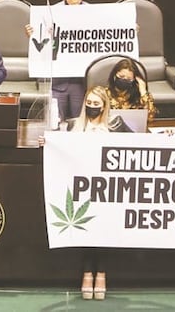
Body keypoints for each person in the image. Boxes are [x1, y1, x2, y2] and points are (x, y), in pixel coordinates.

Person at [63, 85, 131, 300]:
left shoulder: (116, 125)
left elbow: (139, 143)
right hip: (81, 190)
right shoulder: (74, 125)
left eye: (96, 104)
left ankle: (101, 274)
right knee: (85, 232)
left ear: (104, 106)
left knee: (103, 232)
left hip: (107, 190)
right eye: (89, 104)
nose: (92, 107)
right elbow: (60, 147)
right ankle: (86, 274)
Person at [26, 0, 89, 121]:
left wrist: (129, 30)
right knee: (54, 122)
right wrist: (34, 34)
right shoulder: (50, 13)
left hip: (81, 82)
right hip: (57, 81)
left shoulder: (94, 13)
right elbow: (41, 45)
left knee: (78, 124)